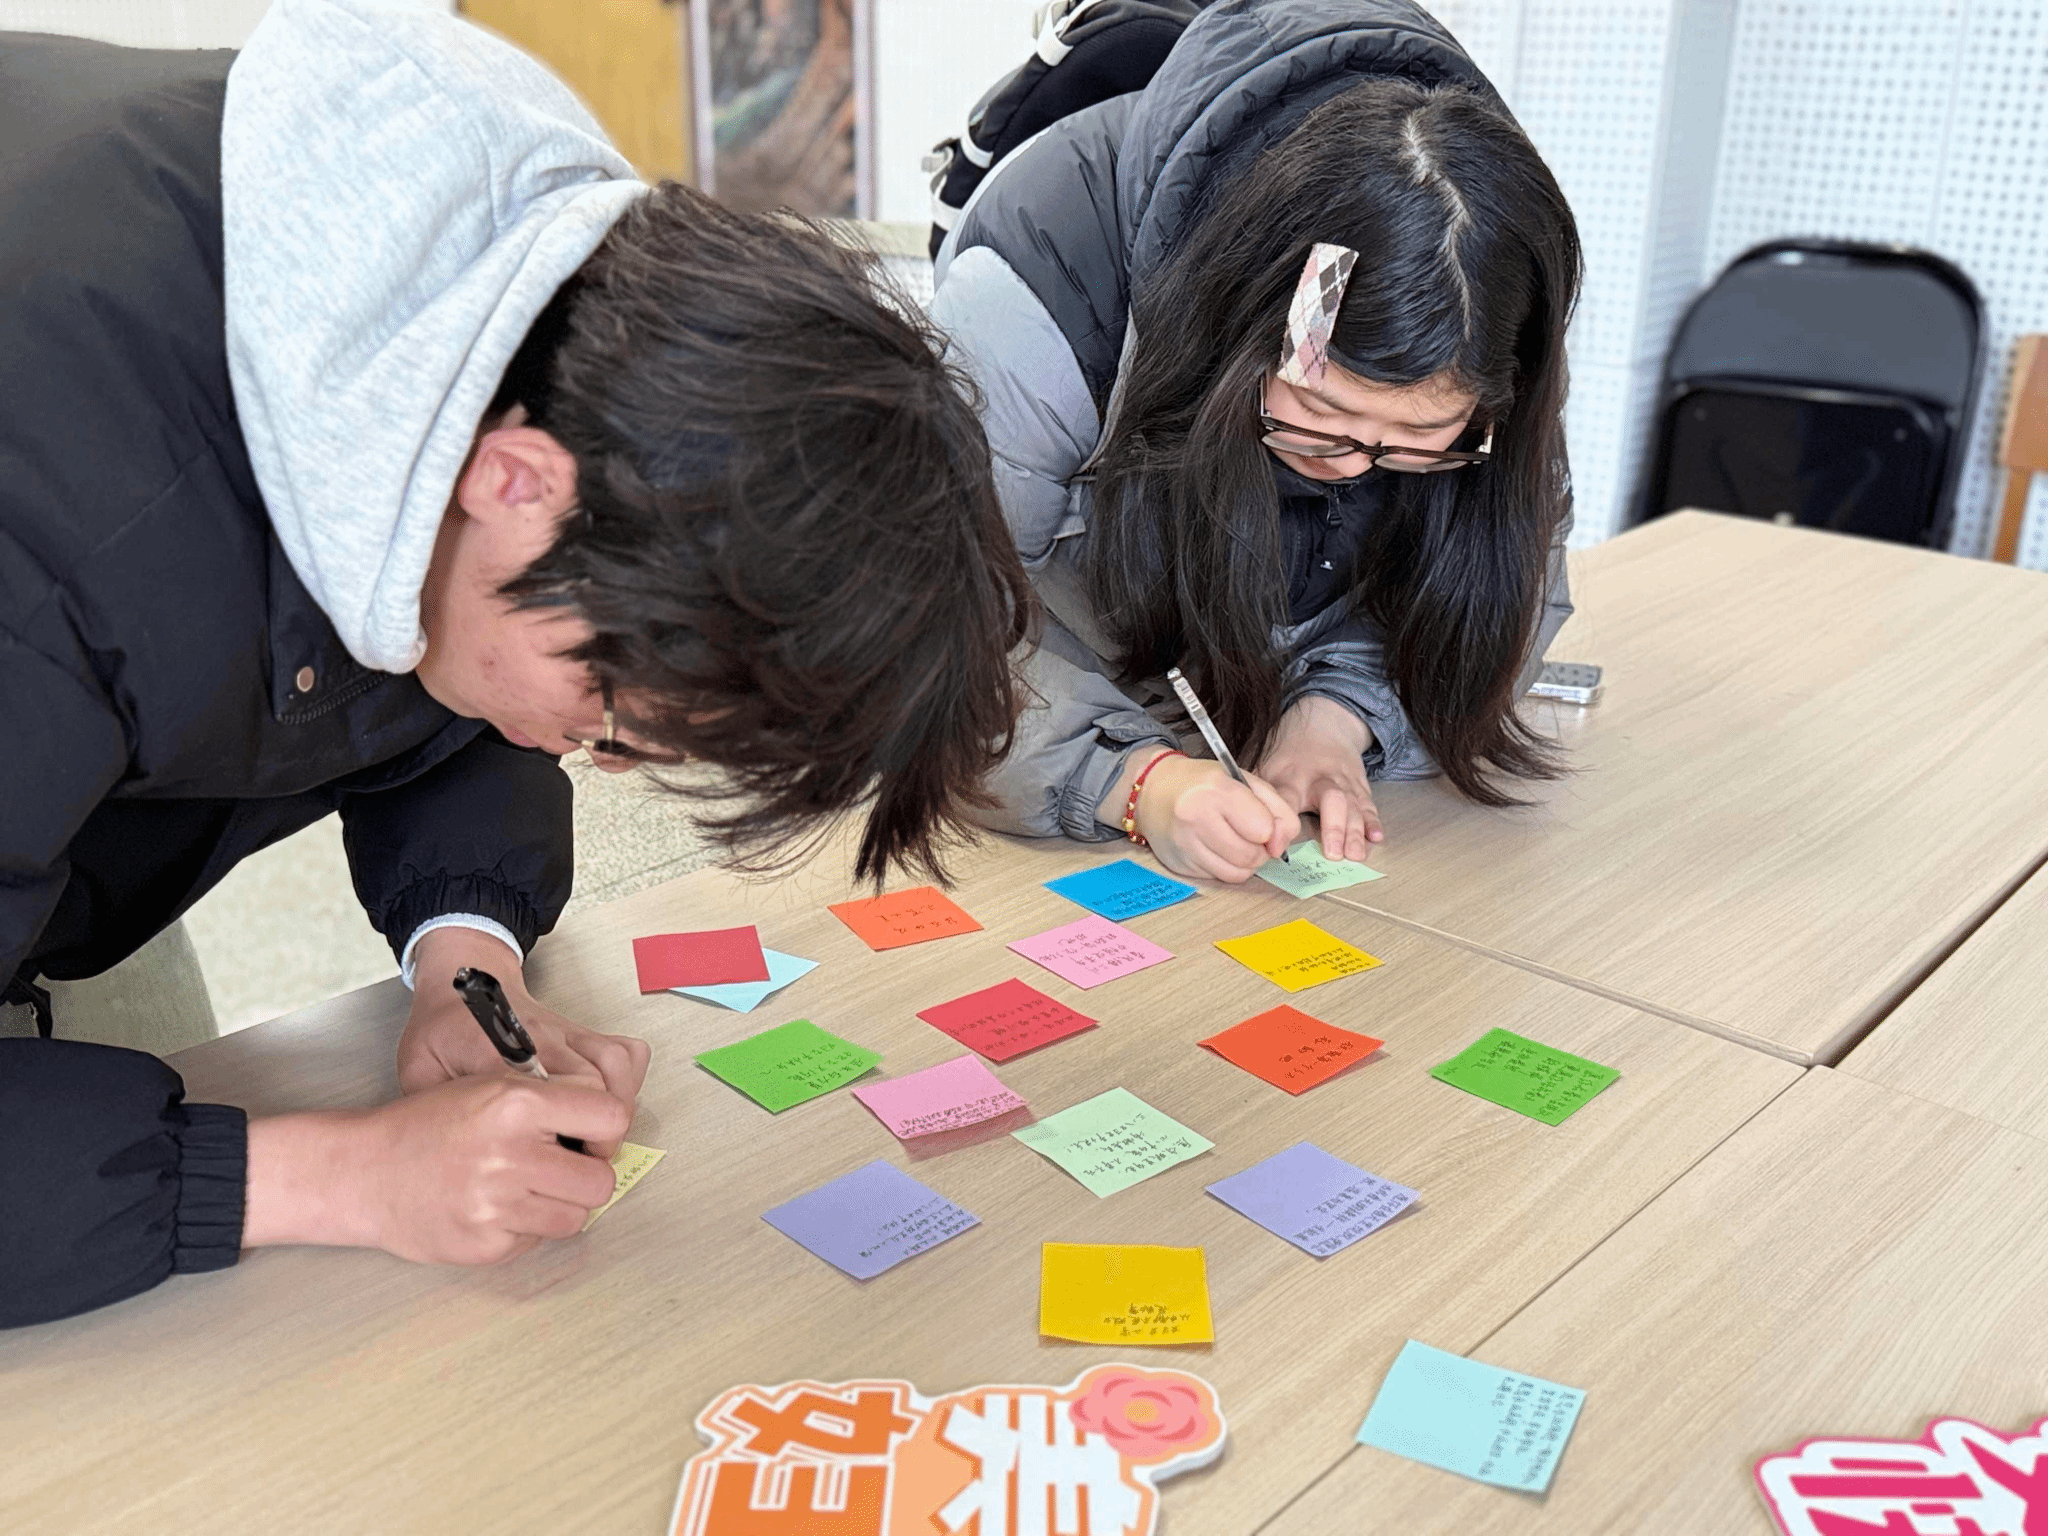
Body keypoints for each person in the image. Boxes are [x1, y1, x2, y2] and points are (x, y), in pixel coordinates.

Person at [0, 0, 1028, 1328]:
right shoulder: (55, 539)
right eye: (603, 714)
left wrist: (464, 962)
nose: (582, 751)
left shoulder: (495, 329)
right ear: (517, 482)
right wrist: (343, 1178)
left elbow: (459, 690)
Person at [929, 0, 1583, 884]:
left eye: (1420, 440)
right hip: (1042, 755)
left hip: (1233, 755)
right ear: (1248, 321)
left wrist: (1339, 715)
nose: (1352, 467)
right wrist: (1133, 783)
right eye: (1318, 420)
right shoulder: (1040, 296)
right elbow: (919, 633)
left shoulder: (1484, 289)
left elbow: (1508, 577)